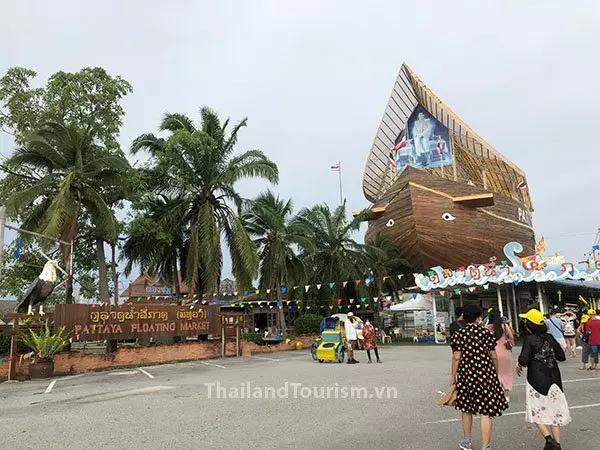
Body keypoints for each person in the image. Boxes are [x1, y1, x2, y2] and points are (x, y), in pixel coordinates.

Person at [451, 304, 508, 450]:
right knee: (486, 411)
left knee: (466, 409)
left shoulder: (459, 334)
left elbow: (456, 357)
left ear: (464, 317)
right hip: (485, 375)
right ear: (478, 318)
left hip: (466, 375)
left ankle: (467, 442)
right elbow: (494, 356)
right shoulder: (486, 334)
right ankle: (485, 446)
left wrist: (453, 377)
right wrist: (494, 372)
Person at [516, 309, 570, 450]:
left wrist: (519, 363)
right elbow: (562, 356)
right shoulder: (550, 338)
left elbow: (524, 360)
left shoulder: (530, 339)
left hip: (536, 380)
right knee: (555, 412)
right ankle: (557, 444)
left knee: (537, 411)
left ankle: (549, 441)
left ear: (530, 324)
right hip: (554, 379)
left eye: (526, 320)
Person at [486, 308, 515, 401]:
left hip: (493, 353)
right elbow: (511, 336)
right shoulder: (504, 326)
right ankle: (506, 395)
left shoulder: (487, 328)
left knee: (494, 373)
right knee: (506, 373)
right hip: (505, 353)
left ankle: (496, 393)